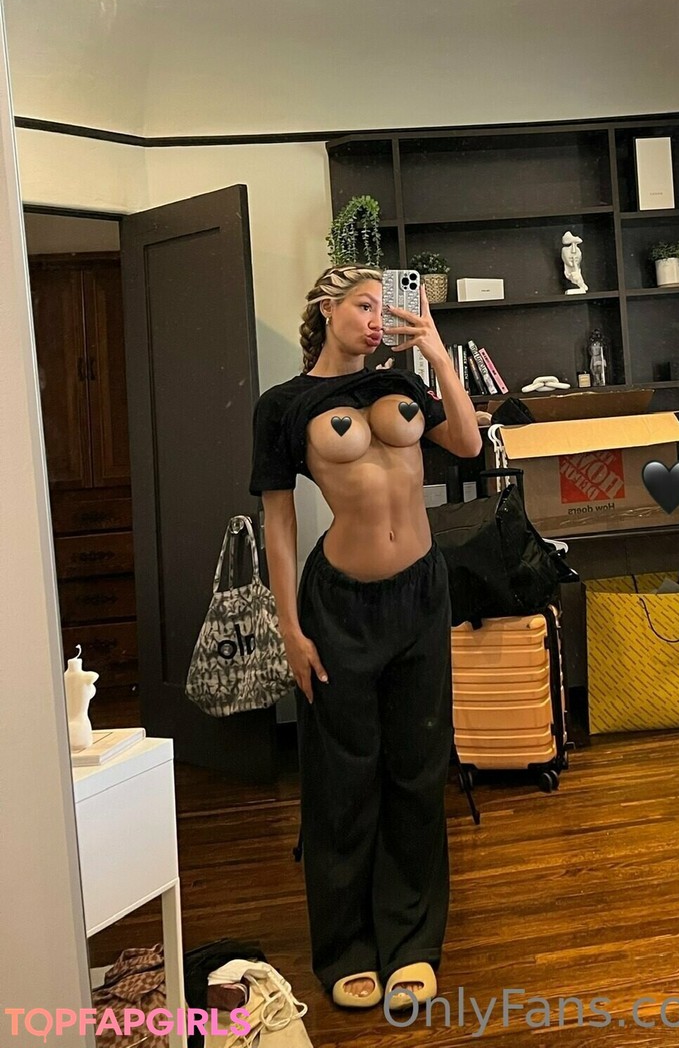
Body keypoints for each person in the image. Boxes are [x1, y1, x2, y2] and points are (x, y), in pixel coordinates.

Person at [248, 264, 482, 1013]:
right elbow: (278, 520)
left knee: (417, 768)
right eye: (364, 306)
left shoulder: (402, 383)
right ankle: (347, 947)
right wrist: (289, 627)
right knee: (343, 779)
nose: (379, 320)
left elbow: (468, 443)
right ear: (328, 308)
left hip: (420, 595)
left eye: (387, 307)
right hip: (340, 607)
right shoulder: (284, 405)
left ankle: (411, 941)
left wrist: (436, 353)